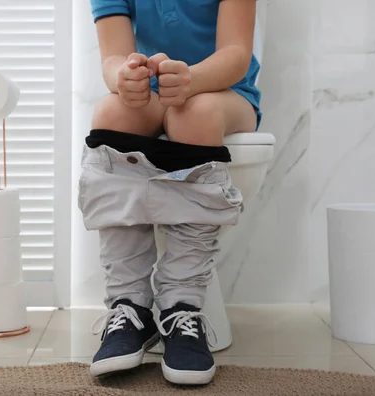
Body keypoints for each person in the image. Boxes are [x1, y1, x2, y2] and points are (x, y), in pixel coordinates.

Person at [79, 0, 261, 386]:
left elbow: (235, 54)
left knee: (195, 114)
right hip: (151, 94)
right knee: (109, 114)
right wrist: (123, 77)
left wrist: (192, 80)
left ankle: (182, 308)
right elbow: (113, 55)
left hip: (224, 91)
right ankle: (130, 306)